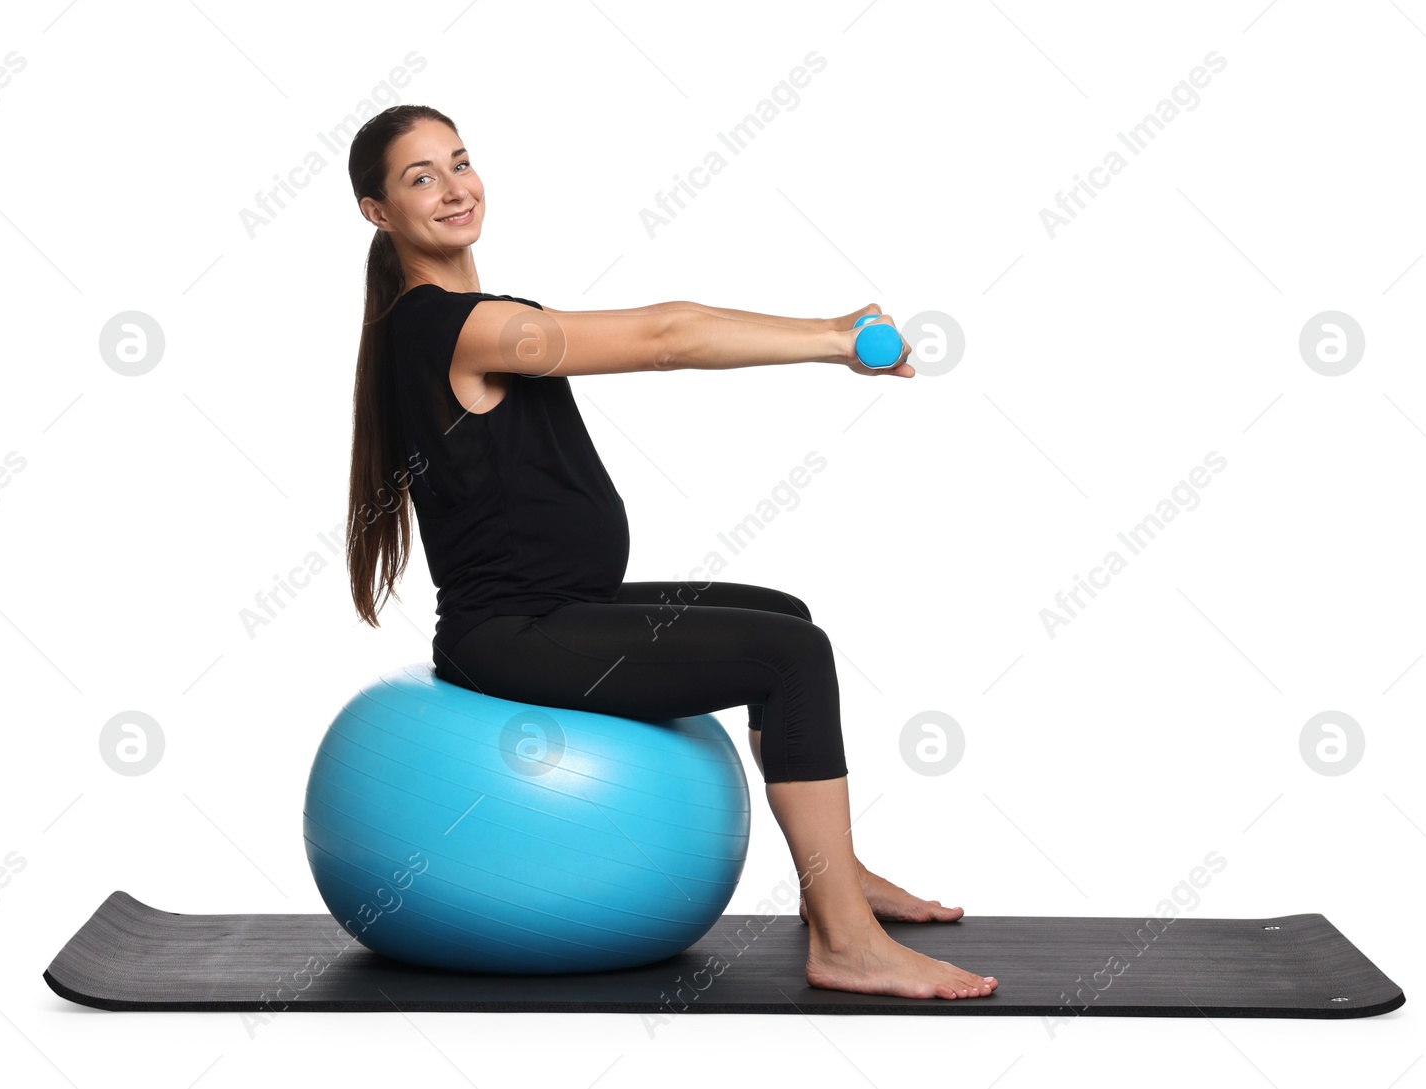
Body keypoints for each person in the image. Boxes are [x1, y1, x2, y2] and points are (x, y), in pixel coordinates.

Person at [342, 104, 995, 1001]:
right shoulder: (452, 327)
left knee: (783, 617)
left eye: (460, 162)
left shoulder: (475, 316)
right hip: (514, 632)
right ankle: (846, 940)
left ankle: (836, 880)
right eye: (421, 177)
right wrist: (832, 340)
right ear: (377, 211)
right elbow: (664, 338)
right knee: (792, 659)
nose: (455, 188)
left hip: (559, 605)